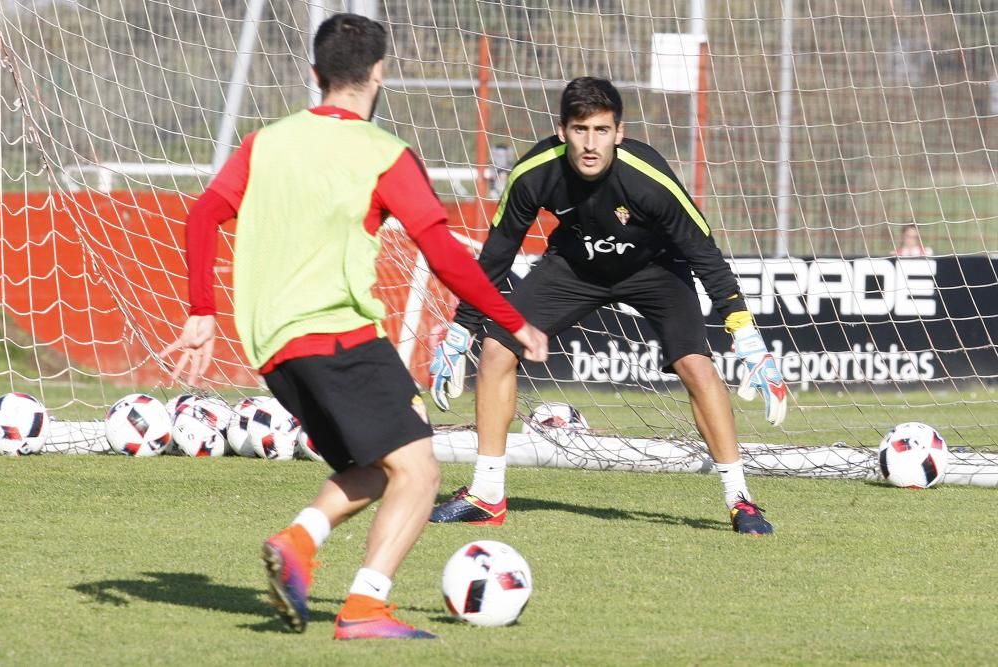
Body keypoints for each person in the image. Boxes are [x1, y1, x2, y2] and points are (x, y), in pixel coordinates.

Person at [160, 13, 547, 640]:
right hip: (338, 333)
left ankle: (299, 541)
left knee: (379, 467)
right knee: (420, 471)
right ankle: (366, 606)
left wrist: (201, 310)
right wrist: (512, 320)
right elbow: (442, 252)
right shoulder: (383, 155)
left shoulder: (266, 142)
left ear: (316, 76)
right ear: (380, 72)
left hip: (272, 346)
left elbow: (202, 215)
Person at [428, 77, 787, 535]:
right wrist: (462, 329)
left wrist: (747, 336)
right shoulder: (534, 172)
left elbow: (704, 254)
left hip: (655, 269)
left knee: (697, 365)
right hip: (574, 266)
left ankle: (741, 500)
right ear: (562, 131)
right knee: (498, 351)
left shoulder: (649, 179)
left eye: (601, 130)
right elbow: (498, 253)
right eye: (580, 130)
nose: (591, 143)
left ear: (619, 132)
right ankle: (487, 494)